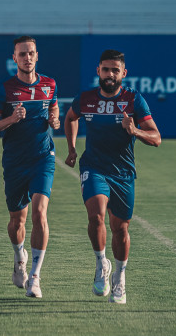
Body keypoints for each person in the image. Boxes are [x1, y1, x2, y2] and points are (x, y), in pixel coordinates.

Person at [64, 49, 161, 304]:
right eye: (105, 69)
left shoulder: (134, 100)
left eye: (115, 70)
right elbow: (71, 118)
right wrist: (72, 149)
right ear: (98, 71)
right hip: (93, 167)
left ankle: (119, 276)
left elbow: (156, 138)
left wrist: (135, 131)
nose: (109, 74)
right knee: (96, 216)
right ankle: (100, 263)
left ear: (123, 73)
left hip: (123, 173)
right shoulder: (86, 99)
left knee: (120, 228)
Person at [0, 36, 60, 298]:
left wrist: (55, 120)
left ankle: (35, 277)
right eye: (22, 54)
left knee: (40, 213)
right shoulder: (4, 89)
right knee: (17, 220)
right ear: (14, 58)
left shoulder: (49, 84)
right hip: (15, 161)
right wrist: (12, 118)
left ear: (37, 55)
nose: (27, 58)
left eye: (31, 53)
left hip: (43, 157)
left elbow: (54, 112)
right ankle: (20, 256)